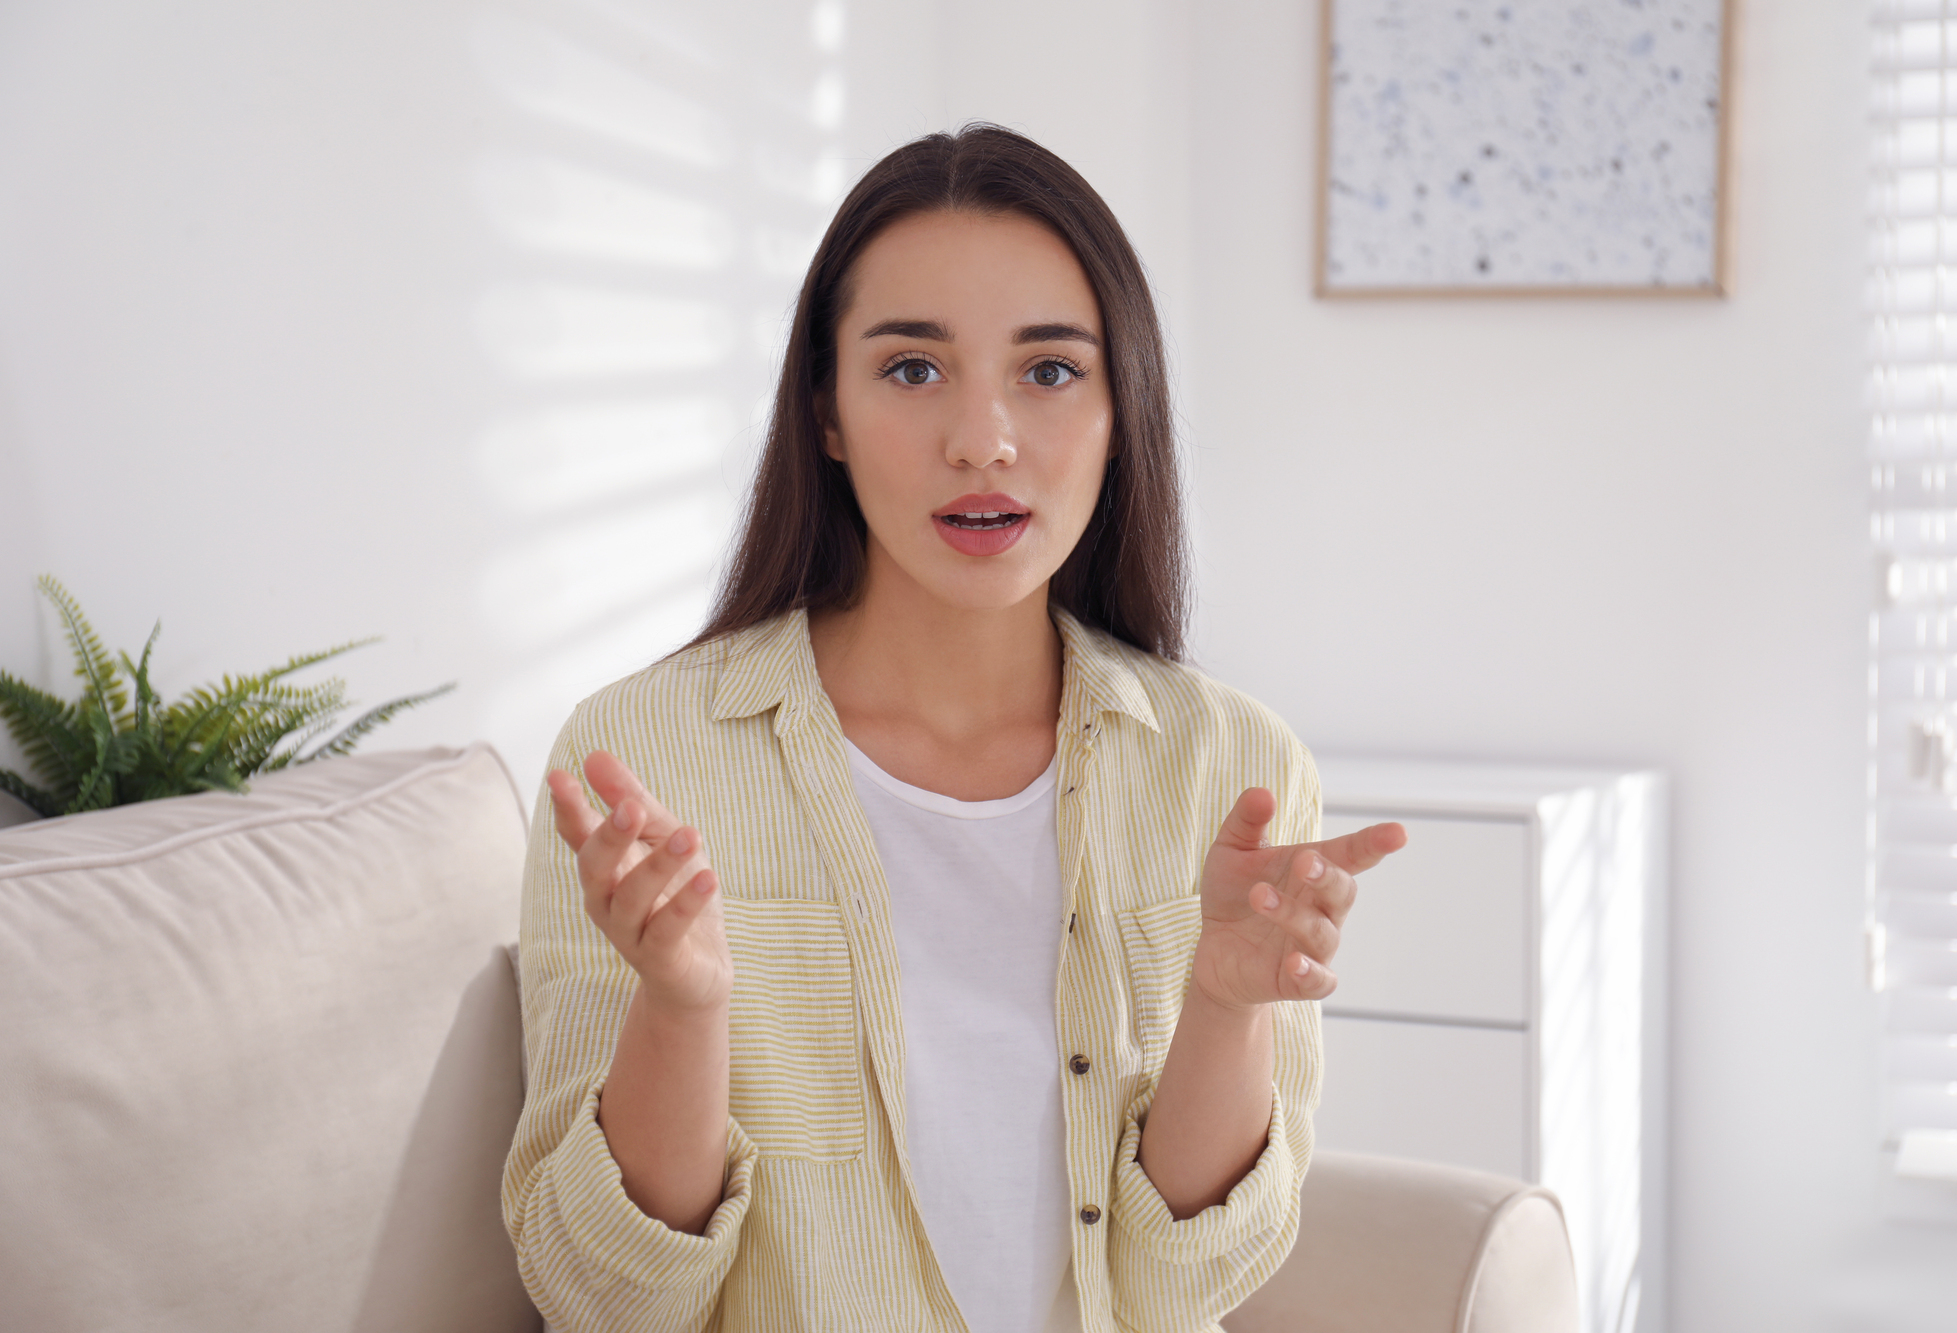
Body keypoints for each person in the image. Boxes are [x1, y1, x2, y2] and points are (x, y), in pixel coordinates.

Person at [502, 124, 1405, 1333]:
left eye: (1047, 371)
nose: (982, 439)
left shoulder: (1229, 767)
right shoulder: (643, 758)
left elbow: (1185, 1284)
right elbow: (602, 1295)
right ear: (824, 411)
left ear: (1120, 410)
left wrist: (1225, 1007)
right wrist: (680, 1009)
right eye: (913, 369)